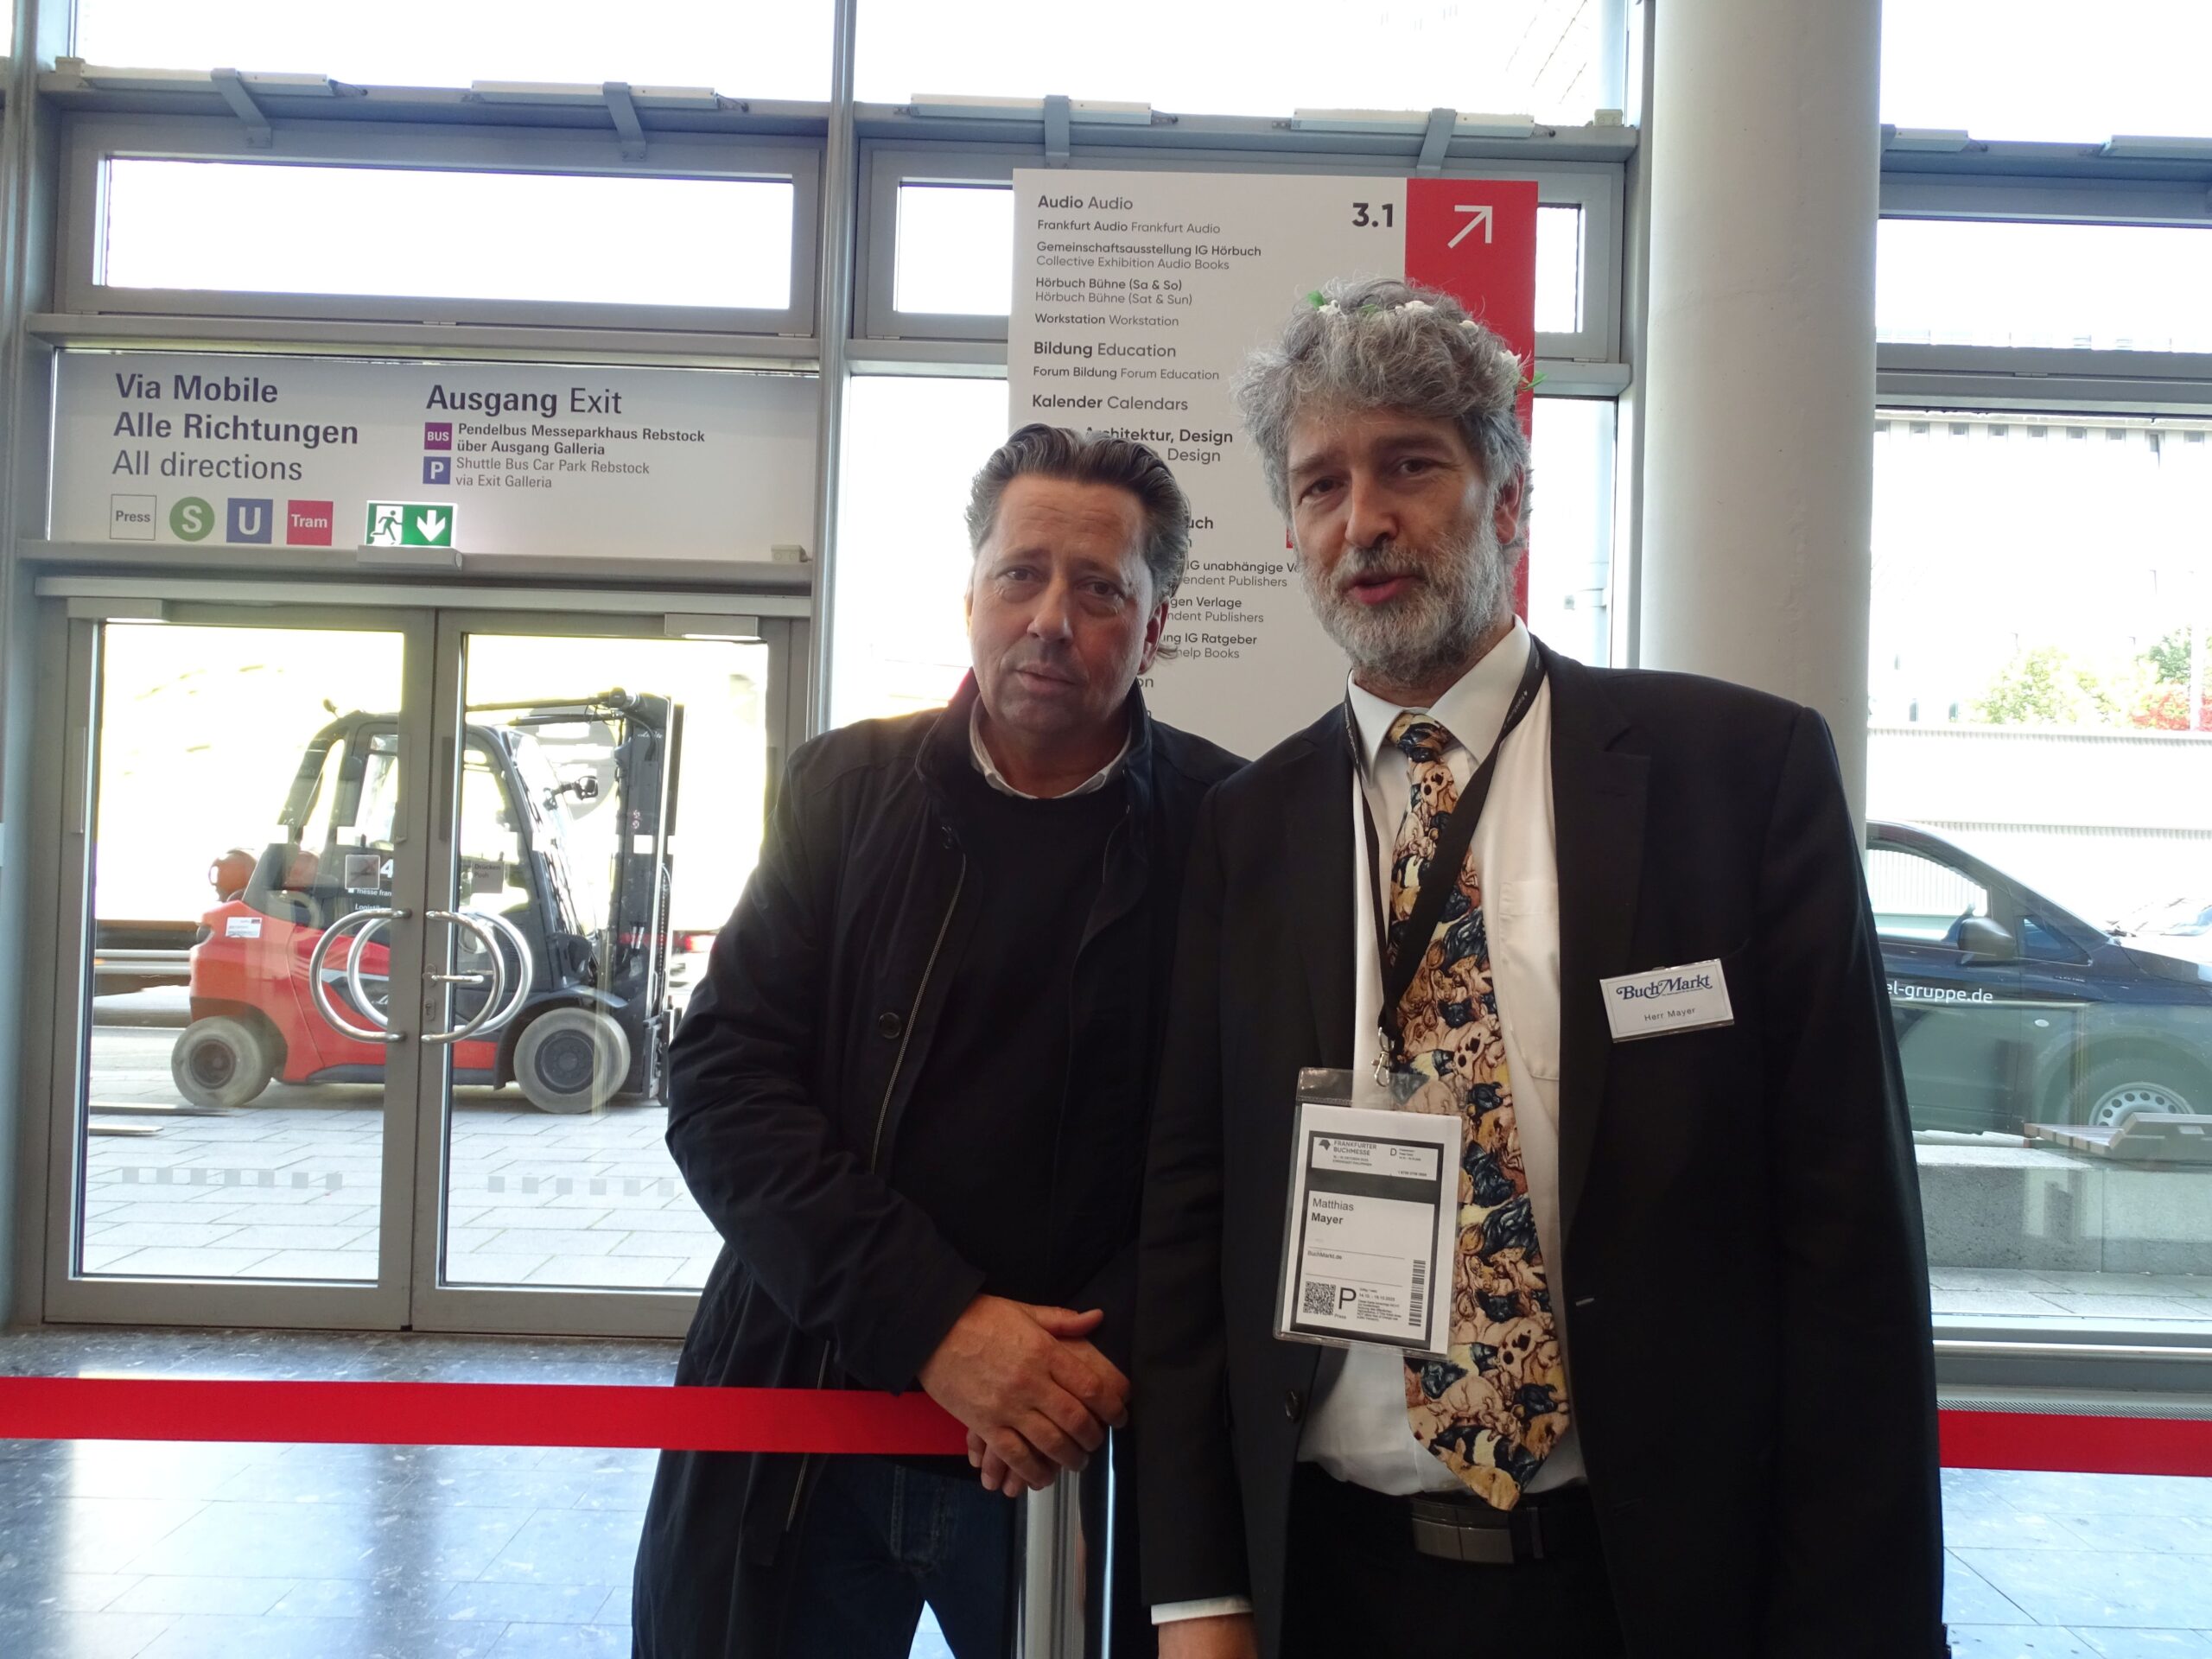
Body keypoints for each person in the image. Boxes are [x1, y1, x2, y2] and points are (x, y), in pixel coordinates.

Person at [1133, 278, 1943, 1659]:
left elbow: (1849, 1241)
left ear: (1508, 499)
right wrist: (1202, 1596)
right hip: (1335, 1580)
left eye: (1410, 466)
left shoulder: (1737, 779)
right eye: (1321, 484)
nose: (1363, 520)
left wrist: (1856, 1622)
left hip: (1653, 1590)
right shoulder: (1244, 830)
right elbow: (1192, 1227)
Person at [633, 425, 1243, 1658]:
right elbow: (722, 1083)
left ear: (1156, 628)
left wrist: (1068, 1377)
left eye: (1100, 589)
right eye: (1021, 575)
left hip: (1083, 1443)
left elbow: (1248, 1148)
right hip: (810, 1412)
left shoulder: (1230, 830)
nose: (1050, 620)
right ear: (971, 596)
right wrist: (940, 1328)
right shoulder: (845, 790)